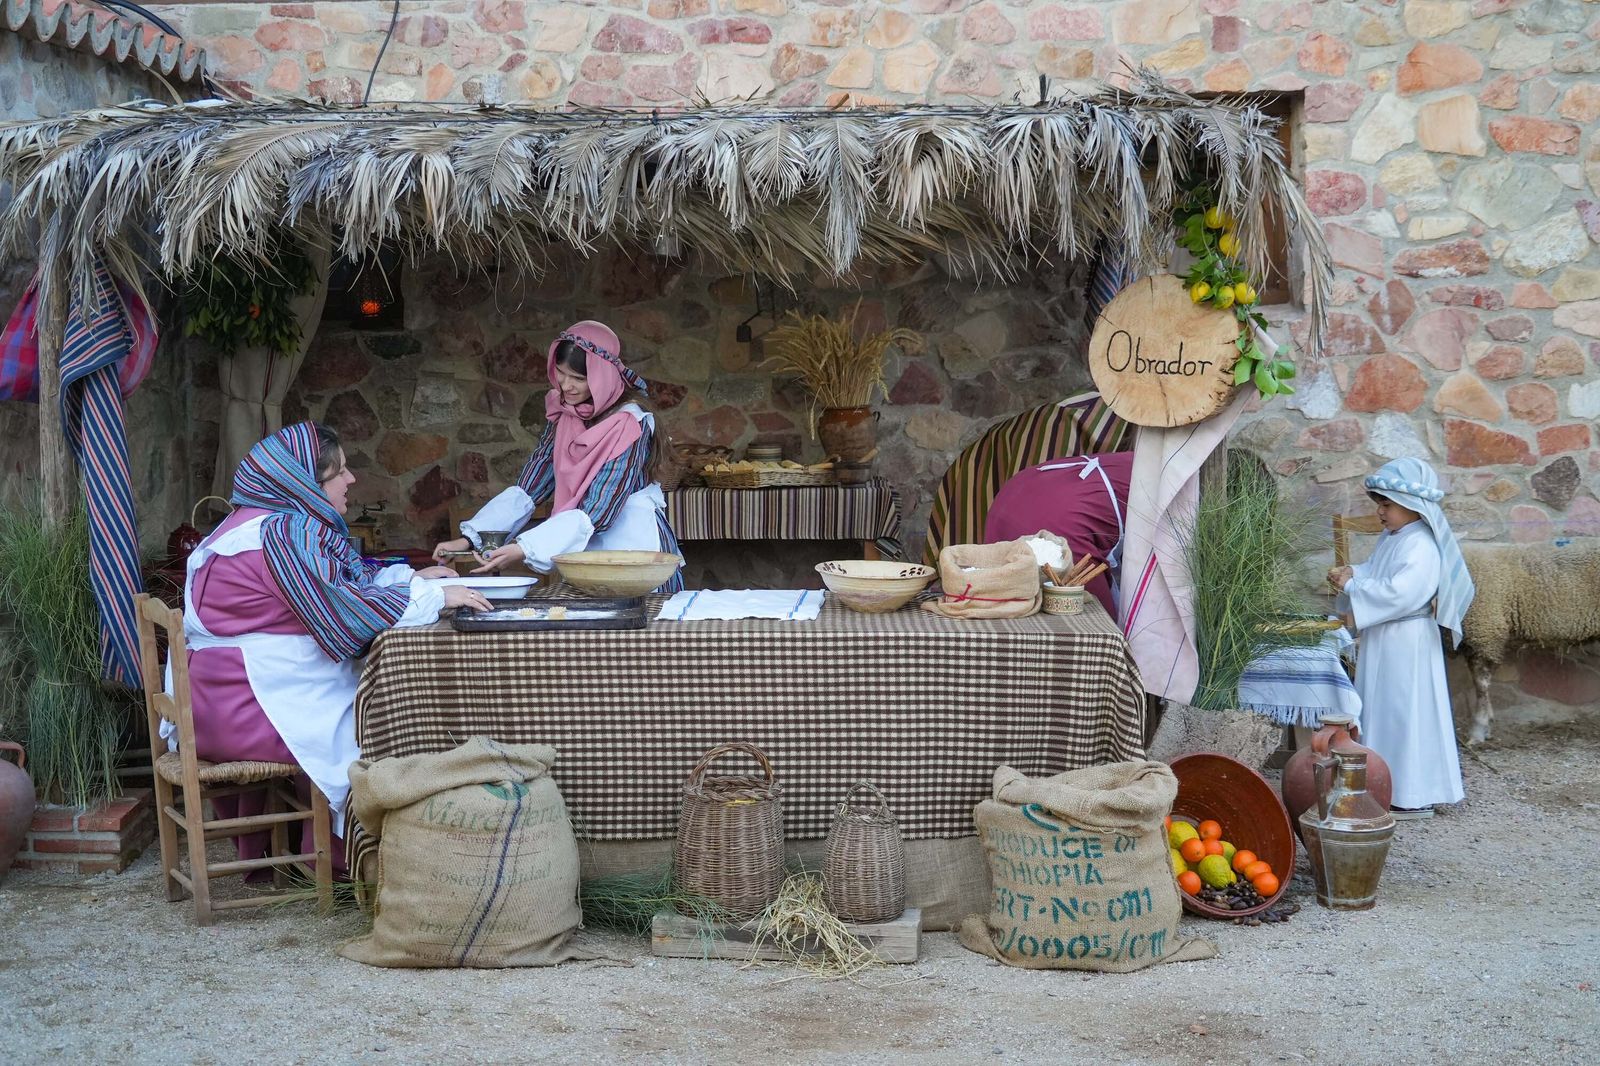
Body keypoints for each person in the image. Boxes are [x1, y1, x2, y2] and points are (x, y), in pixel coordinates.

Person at [182, 422, 492, 869]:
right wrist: (433, 597)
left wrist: (410, 580)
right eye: (339, 473)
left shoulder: (251, 521)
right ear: (307, 482)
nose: (351, 480)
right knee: (392, 717)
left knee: (381, 700)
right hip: (254, 706)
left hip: (219, 698)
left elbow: (336, 587)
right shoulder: (282, 536)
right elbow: (344, 620)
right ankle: (377, 861)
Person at [433, 320, 684, 591]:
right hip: (582, 553)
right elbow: (530, 488)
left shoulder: (630, 424)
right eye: (562, 373)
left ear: (602, 376)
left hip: (634, 552)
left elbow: (599, 512)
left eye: (579, 378)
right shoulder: (565, 415)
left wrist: (523, 548)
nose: (566, 386)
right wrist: (469, 539)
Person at [1327, 457, 1475, 819]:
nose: (1380, 511)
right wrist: (1356, 571)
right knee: (1384, 710)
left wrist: (1353, 584)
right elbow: (1380, 574)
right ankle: (1380, 785)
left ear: (1411, 505)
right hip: (1387, 639)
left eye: (1387, 503)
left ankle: (1410, 793)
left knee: (1404, 713)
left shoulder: (1422, 544)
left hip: (1407, 641)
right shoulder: (1396, 537)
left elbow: (1400, 593)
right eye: (1379, 502)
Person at [983, 451, 1131, 617]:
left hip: (1014, 493)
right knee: (1093, 625)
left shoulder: (1134, 458)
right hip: (1064, 520)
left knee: (1011, 603)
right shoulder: (1159, 478)